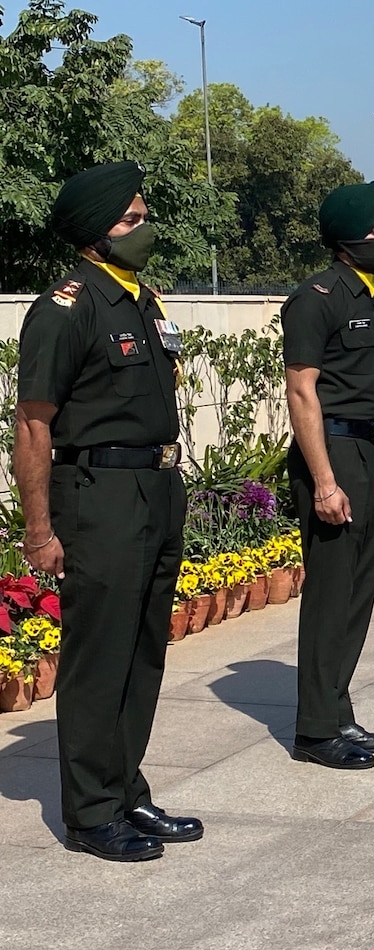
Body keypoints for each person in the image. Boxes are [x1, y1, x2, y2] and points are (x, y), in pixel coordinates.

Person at [13, 161, 201, 861]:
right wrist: (39, 530)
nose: (143, 228)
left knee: (144, 648)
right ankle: (92, 813)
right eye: (130, 220)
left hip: (155, 489)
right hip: (99, 496)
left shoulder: (142, 300)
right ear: (95, 234)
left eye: (142, 215)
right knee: (99, 656)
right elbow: (33, 424)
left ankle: (125, 786)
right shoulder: (65, 307)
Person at [281, 181, 374, 770]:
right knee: (331, 595)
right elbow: (302, 393)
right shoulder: (316, 298)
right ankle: (314, 729)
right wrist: (324, 482)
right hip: (334, 453)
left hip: (372, 453)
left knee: (358, 593)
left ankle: (338, 711)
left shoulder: (373, 297)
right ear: (347, 238)